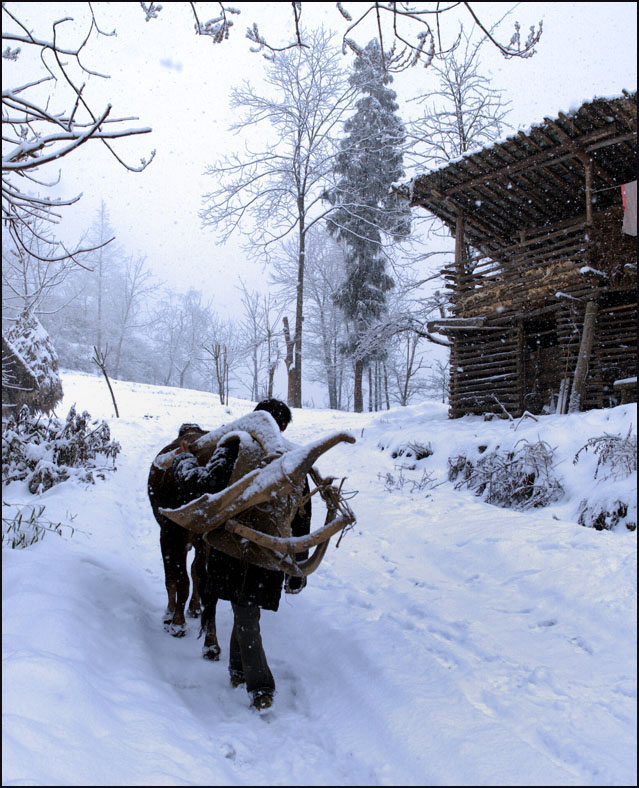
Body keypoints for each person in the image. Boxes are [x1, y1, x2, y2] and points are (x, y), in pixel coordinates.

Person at [171, 398, 311, 711]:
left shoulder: (236, 444)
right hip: (273, 551)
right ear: (283, 426)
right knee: (247, 609)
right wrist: (297, 566)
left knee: (246, 612)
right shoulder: (295, 457)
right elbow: (302, 516)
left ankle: (259, 686)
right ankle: (242, 672)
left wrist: (183, 462)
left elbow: (203, 488)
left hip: (233, 547)